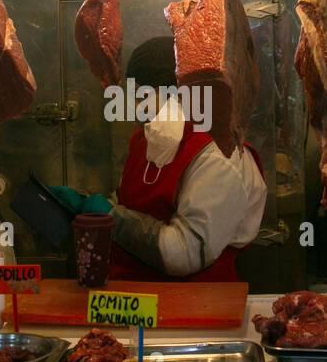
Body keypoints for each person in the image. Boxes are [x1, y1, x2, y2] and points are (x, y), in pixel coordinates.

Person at [51, 36, 267, 282]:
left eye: (144, 95)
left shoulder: (220, 155)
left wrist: (113, 217)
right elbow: (131, 203)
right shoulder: (145, 140)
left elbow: (185, 252)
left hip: (197, 306)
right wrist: (86, 205)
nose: (137, 105)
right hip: (136, 302)